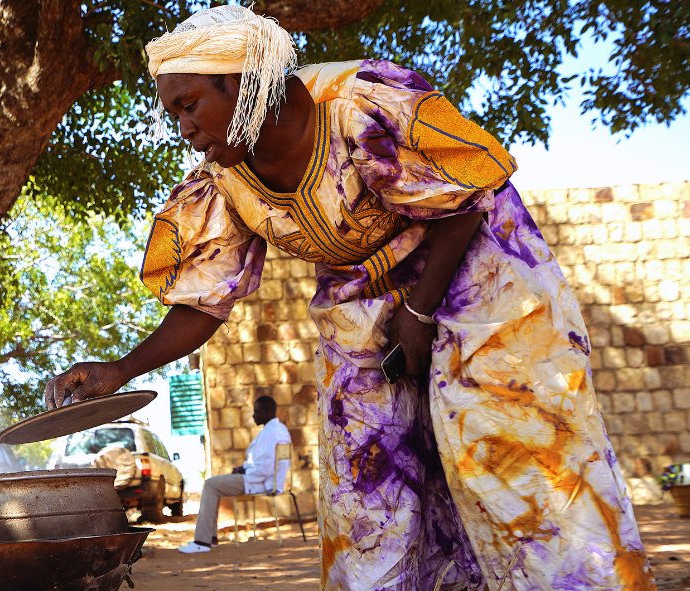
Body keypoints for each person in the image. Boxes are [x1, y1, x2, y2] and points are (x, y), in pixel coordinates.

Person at [46, 6, 654, 589]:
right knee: (368, 489)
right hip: (360, 306)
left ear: (243, 82)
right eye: (173, 113)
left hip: (481, 276)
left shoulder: (362, 103)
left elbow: (464, 198)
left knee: (518, 464)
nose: (184, 130)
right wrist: (120, 369)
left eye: (189, 104)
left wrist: (419, 313)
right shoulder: (225, 179)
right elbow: (206, 299)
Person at [178, 396, 291, 554]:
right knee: (214, 485)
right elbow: (262, 462)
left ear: (267, 411)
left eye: (257, 412)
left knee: (211, 484)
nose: (254, 416)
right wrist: (243, 468)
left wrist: (246, 471)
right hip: (259, 479)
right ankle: (209, 538)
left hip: (258, 482)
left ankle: (202, 541)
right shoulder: (277, 430)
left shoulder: (272, 433)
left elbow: (264, 469)